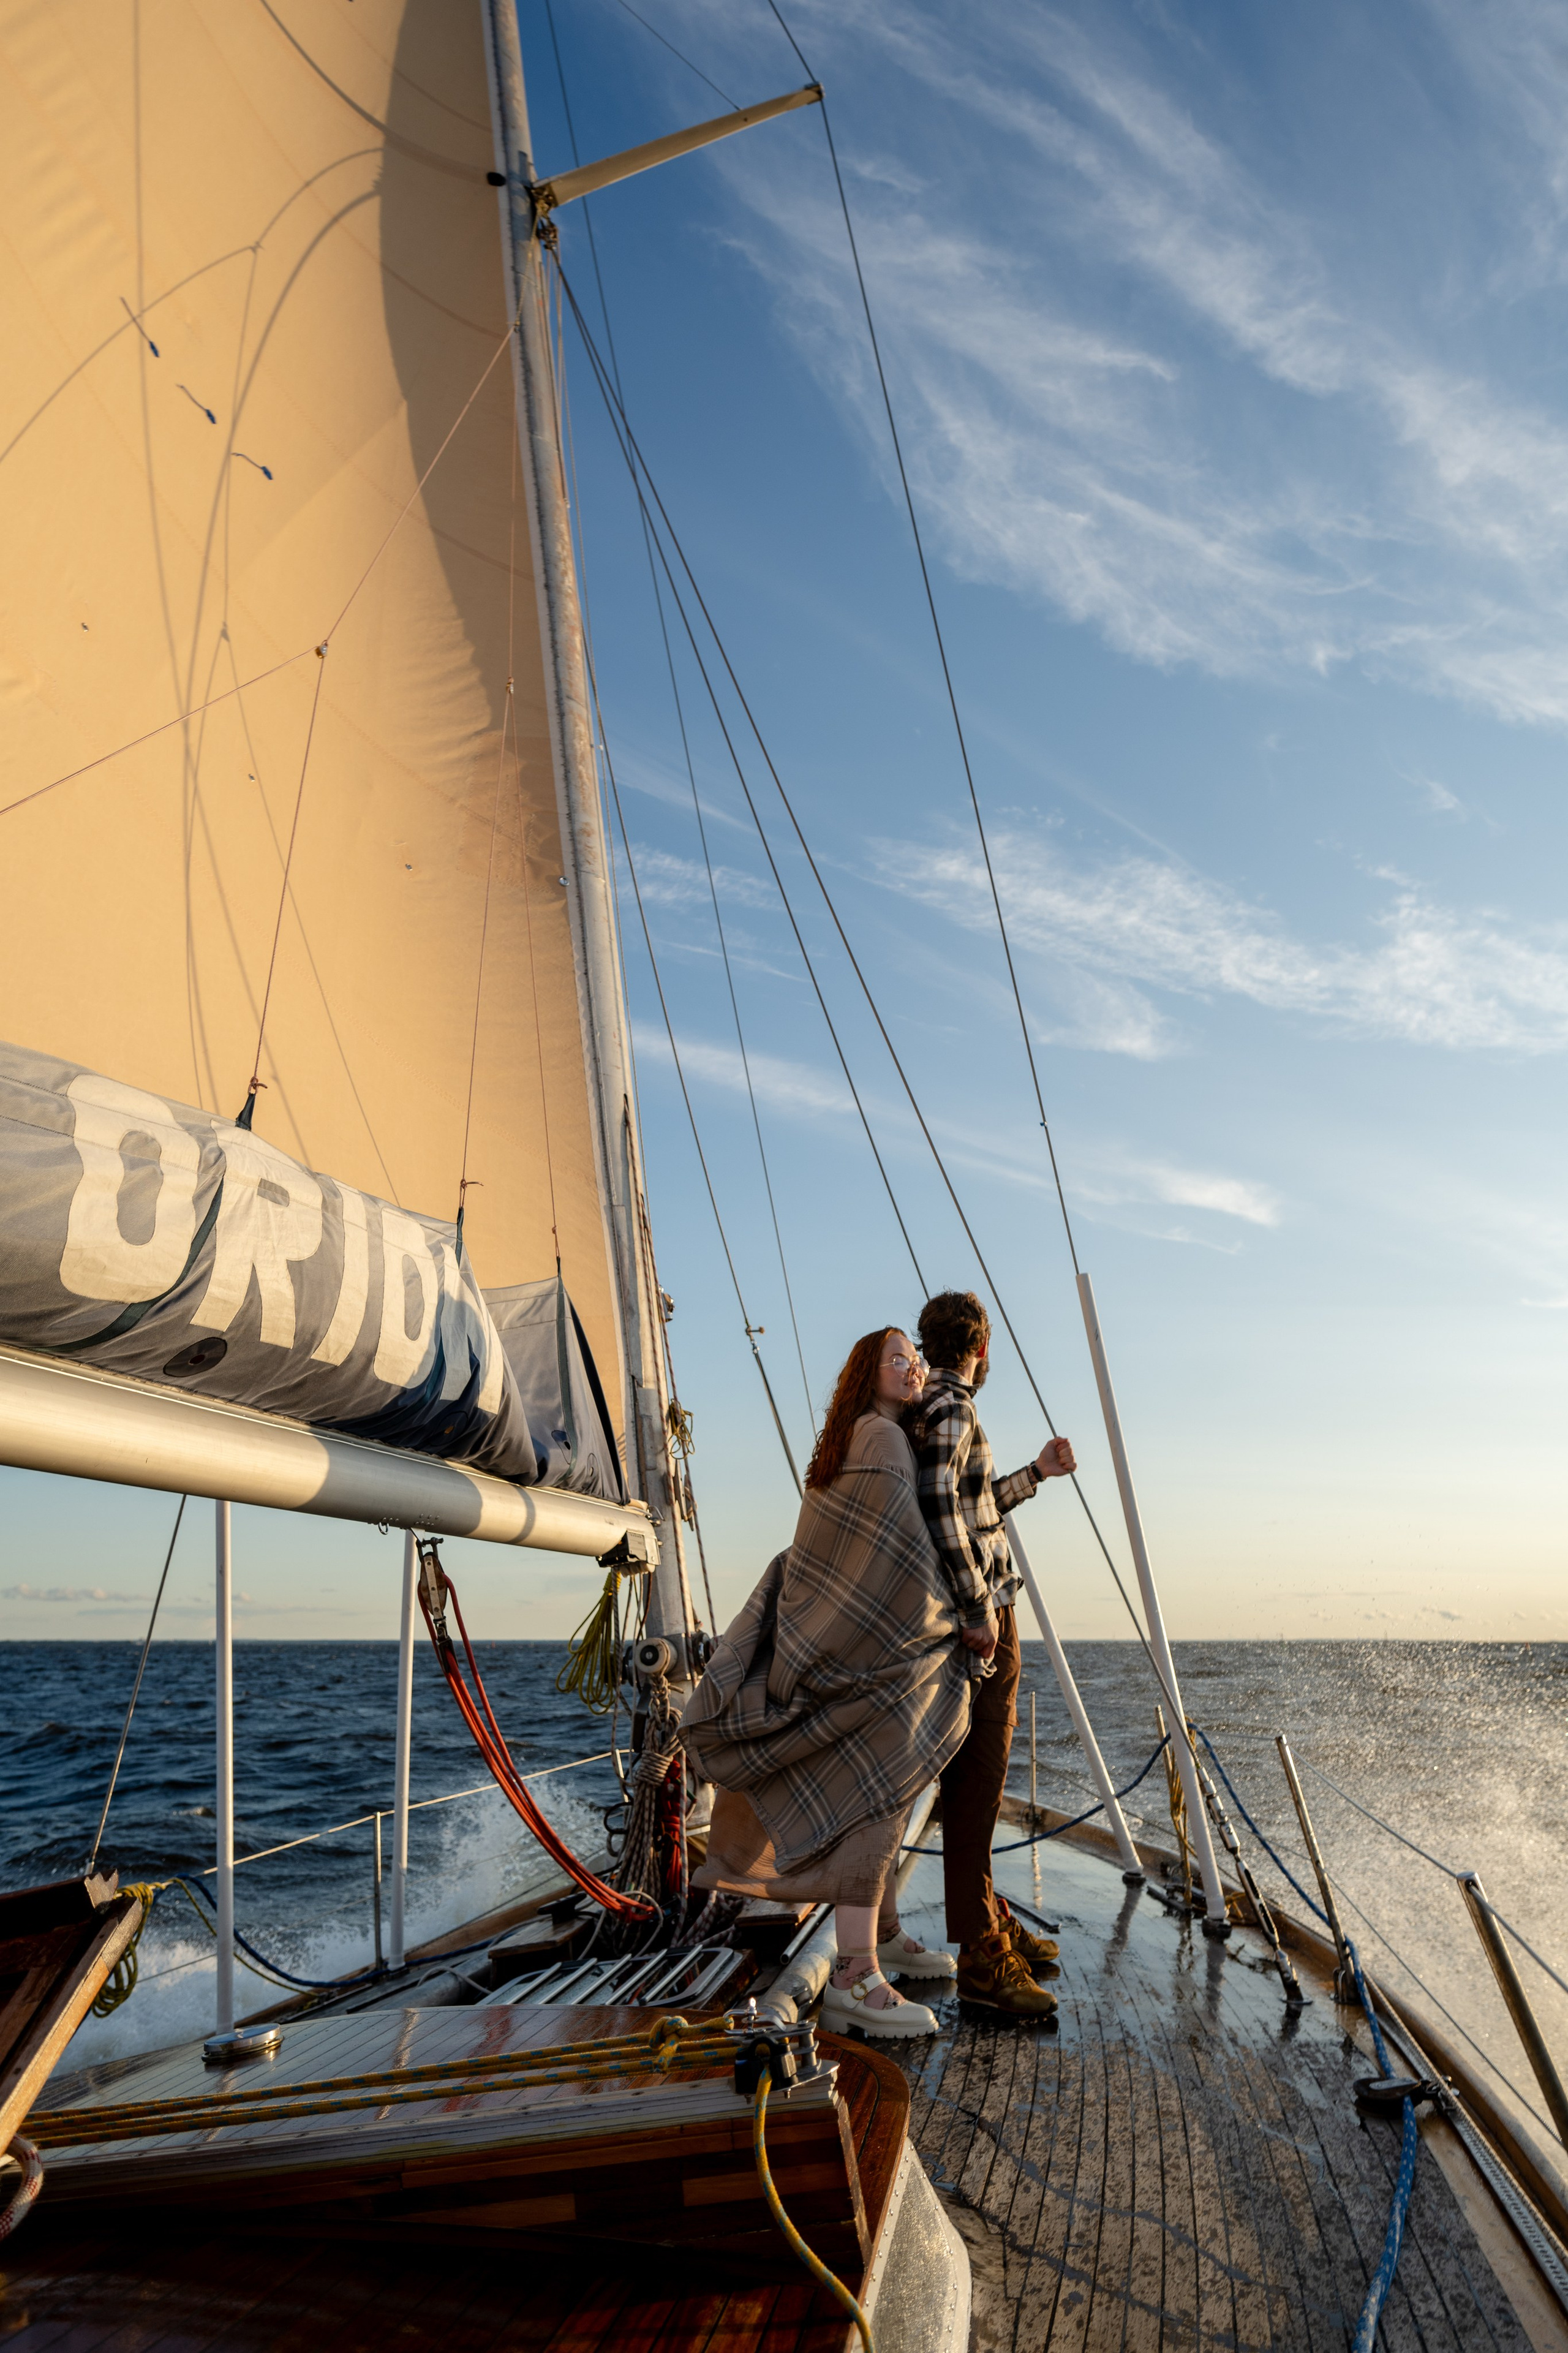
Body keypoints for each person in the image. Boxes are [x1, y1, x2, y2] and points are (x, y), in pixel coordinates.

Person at [680, 1328, 973, 2040]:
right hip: (874, 1656)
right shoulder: (880, 1439)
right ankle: (852, 1977)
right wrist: (958, 1612)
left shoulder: (868, 1434)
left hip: (862, 1648)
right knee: (876, 1799)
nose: (912, 1368)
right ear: (865, 1373)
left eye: (917, 1360)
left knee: (889, 1797)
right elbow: (897, 1556)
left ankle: (889, 1934)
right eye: (897, 1359)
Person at [903, 1289, 1076, 2018]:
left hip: (982, 1613)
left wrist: (1034, 1474)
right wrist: (979, 1607)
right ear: (980, 1349)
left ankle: (986, 1915)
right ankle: (980, 1952)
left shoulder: (935, 1407)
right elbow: (939, 1506)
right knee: (978, 1782)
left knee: (977, 1782)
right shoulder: (956, 1407)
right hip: (986, 1618)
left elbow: (971, 1506)